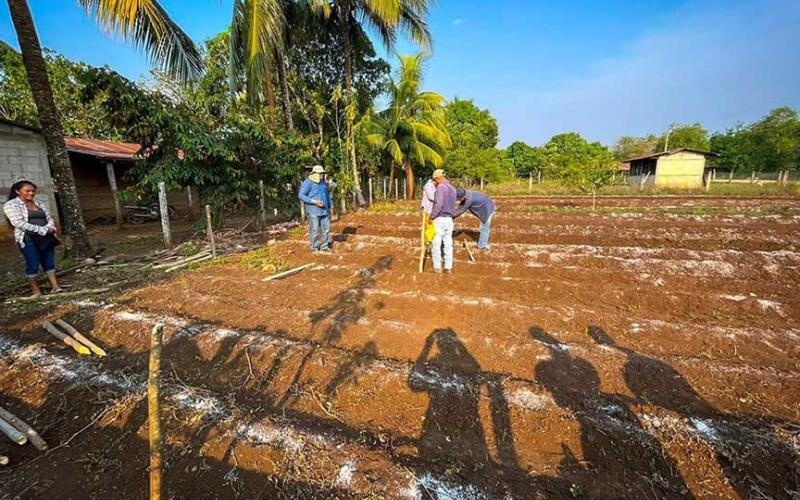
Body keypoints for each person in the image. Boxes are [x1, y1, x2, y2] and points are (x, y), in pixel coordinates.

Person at [3, 180, 62, 296]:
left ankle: (55, 286)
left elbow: (48, 217)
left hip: (46, 238)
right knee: (33, 263)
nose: (31, 193)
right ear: (17, 191)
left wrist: (50, 226)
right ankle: (35, 290)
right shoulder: (11, 205)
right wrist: (42, 230)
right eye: (27, 191)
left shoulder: (39, 204)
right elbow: (18, 223)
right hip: (28, 239)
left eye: (33, 191)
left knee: (49, 262)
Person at [298, 165, 332, 253]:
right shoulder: (308, 183)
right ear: (314, 174)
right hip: (313, 211)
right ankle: (314, 247)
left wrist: (330, 206)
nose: (322, 175)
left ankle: (324, 246)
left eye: (323, 174)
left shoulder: (323, 182)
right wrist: (314, 201)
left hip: (324, 210)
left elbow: (326, 195)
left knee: (326, 229)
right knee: (315, 229)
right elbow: (301, 195)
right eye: (320, 174)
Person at [429, 169, 456, 273]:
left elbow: (438, 204)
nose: (435, 183)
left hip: (440, 219)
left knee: (436, 243)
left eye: (435, 180)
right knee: (448, 244)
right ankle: (448, 267)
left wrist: (432, 216)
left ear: (438, 178)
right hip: (449, 219)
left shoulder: (441, 187)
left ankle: (437, 267)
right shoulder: (453, 188)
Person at [420, 177, 437, 246]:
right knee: (429, 227)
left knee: (430, 228)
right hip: (428, 209)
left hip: (431, 209)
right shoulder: (429, 185)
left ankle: (429, 241)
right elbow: (432, 197)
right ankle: (427, 242)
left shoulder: (433, 186)